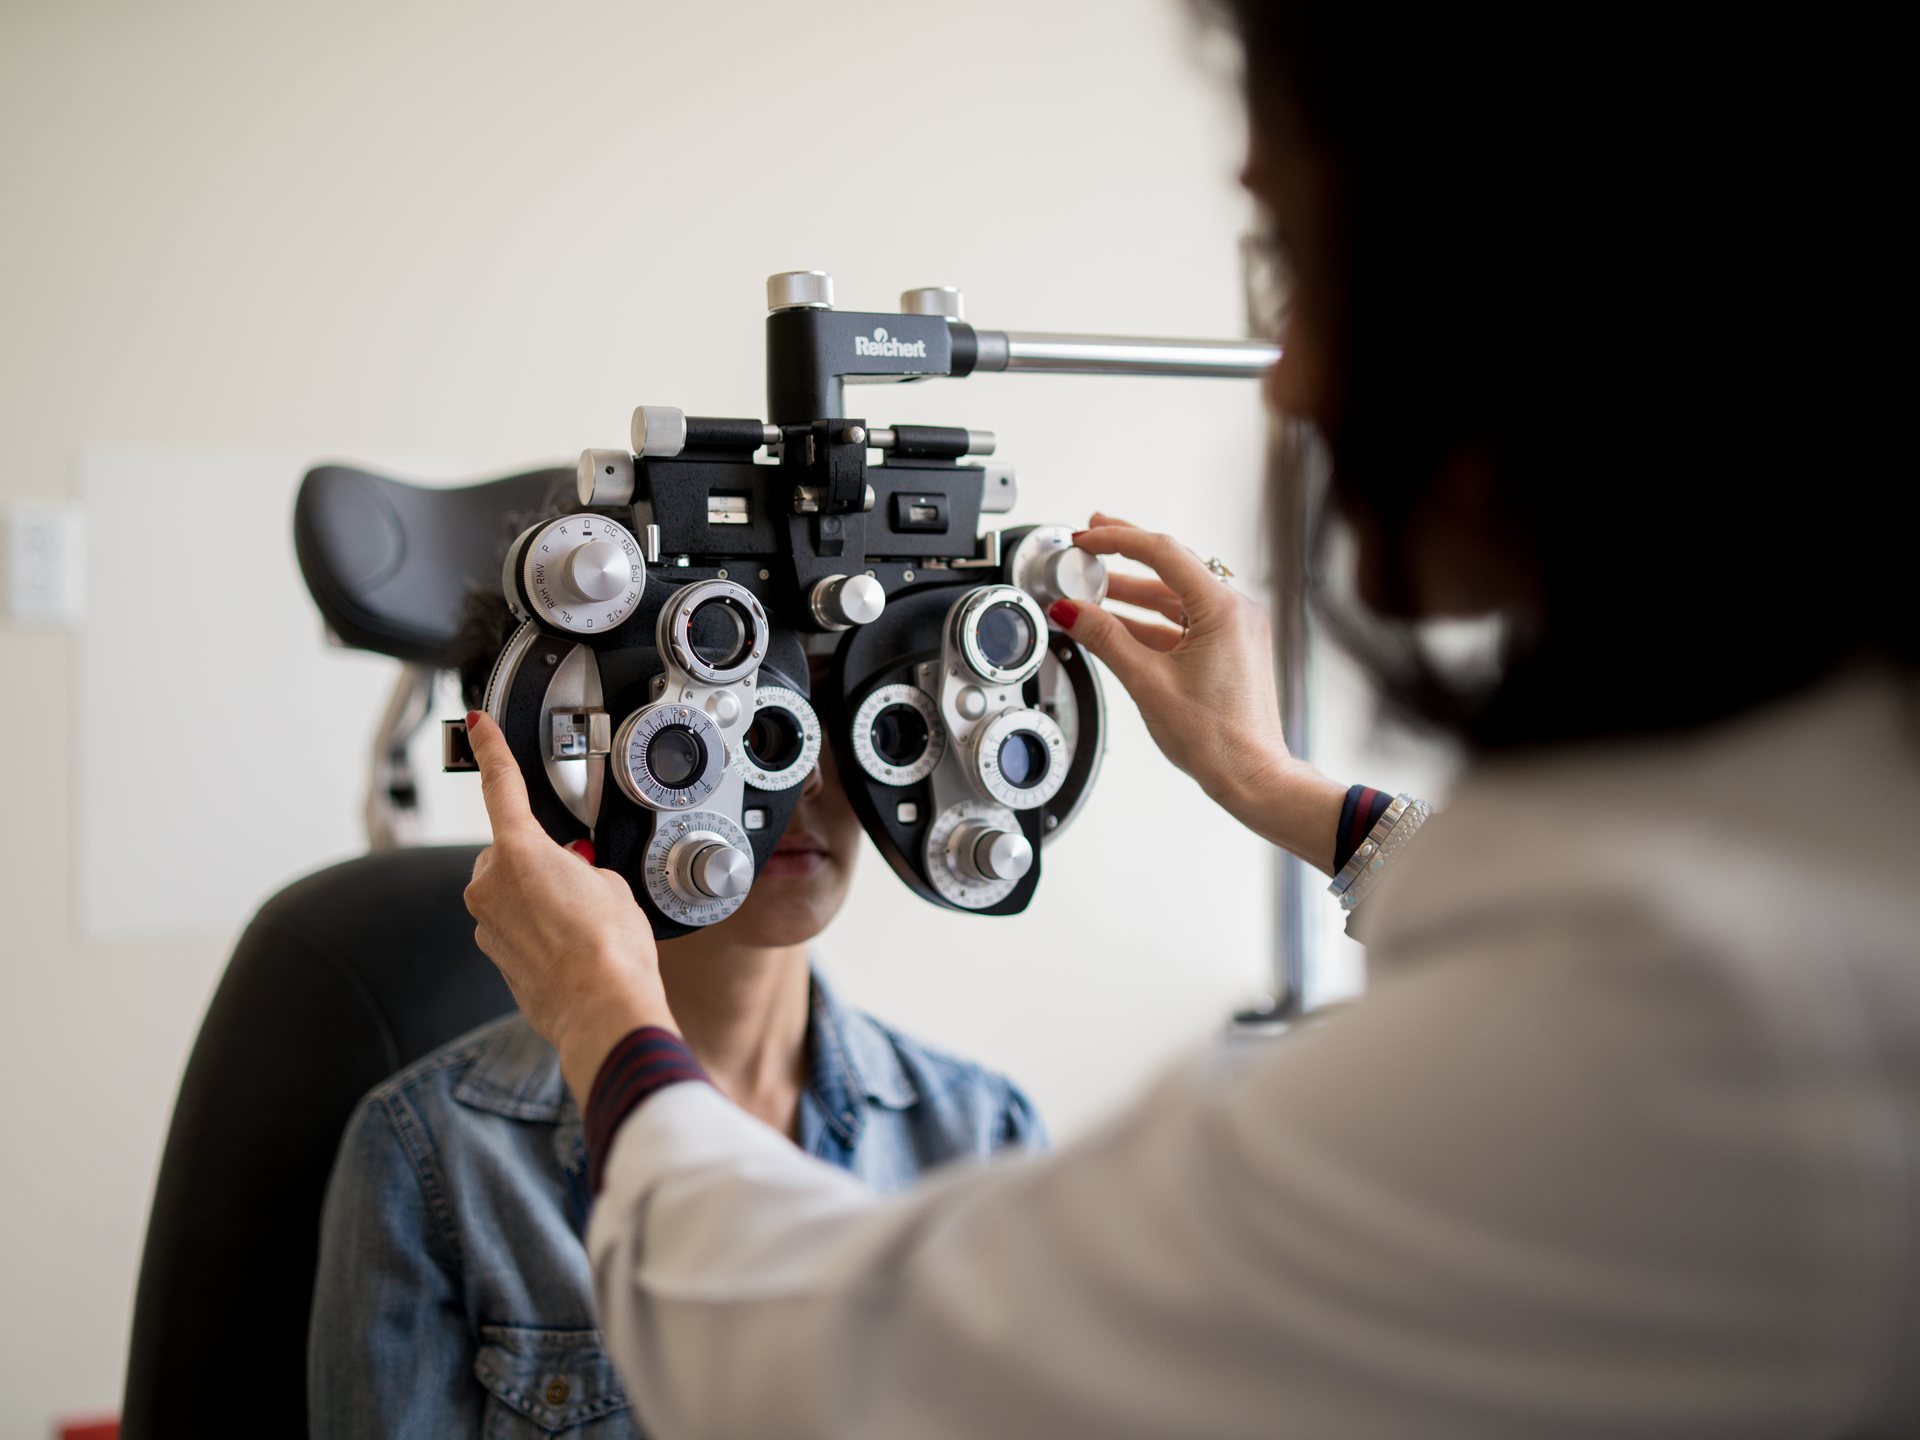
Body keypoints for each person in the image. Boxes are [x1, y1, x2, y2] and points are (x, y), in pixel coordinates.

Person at [459, 4, 1913, 1435]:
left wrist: (601, 1012)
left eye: (1299, 269)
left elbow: (844, 1368)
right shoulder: (434, 1153)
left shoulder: (1679, 1022)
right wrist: (1279, 790)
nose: (1294, 378)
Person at [306, 656, 1045, 1439]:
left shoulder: (982, 1135)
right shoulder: (433, 1156)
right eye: (743, 724)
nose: (806, 782)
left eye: (842, 719)